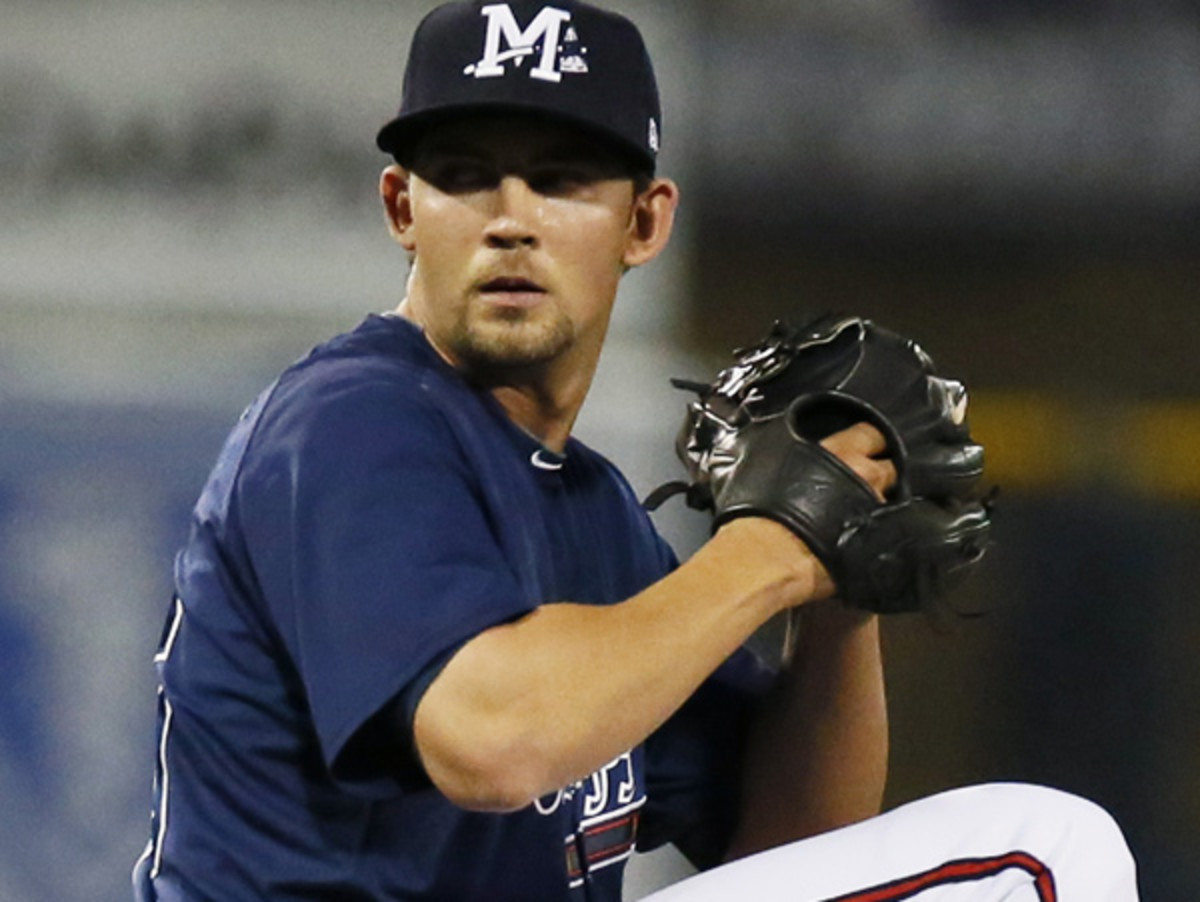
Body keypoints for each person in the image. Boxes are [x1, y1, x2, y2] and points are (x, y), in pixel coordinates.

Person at [133, 2, 1140, 899]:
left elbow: (792, 850)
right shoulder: (352, 422)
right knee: (1047, 851)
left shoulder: (595, 517)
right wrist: (773, 545)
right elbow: (493, 742)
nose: (510, 220)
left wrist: (838, 586)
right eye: (466, 177)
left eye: (561, 179)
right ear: (404, 209)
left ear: (644, 222)